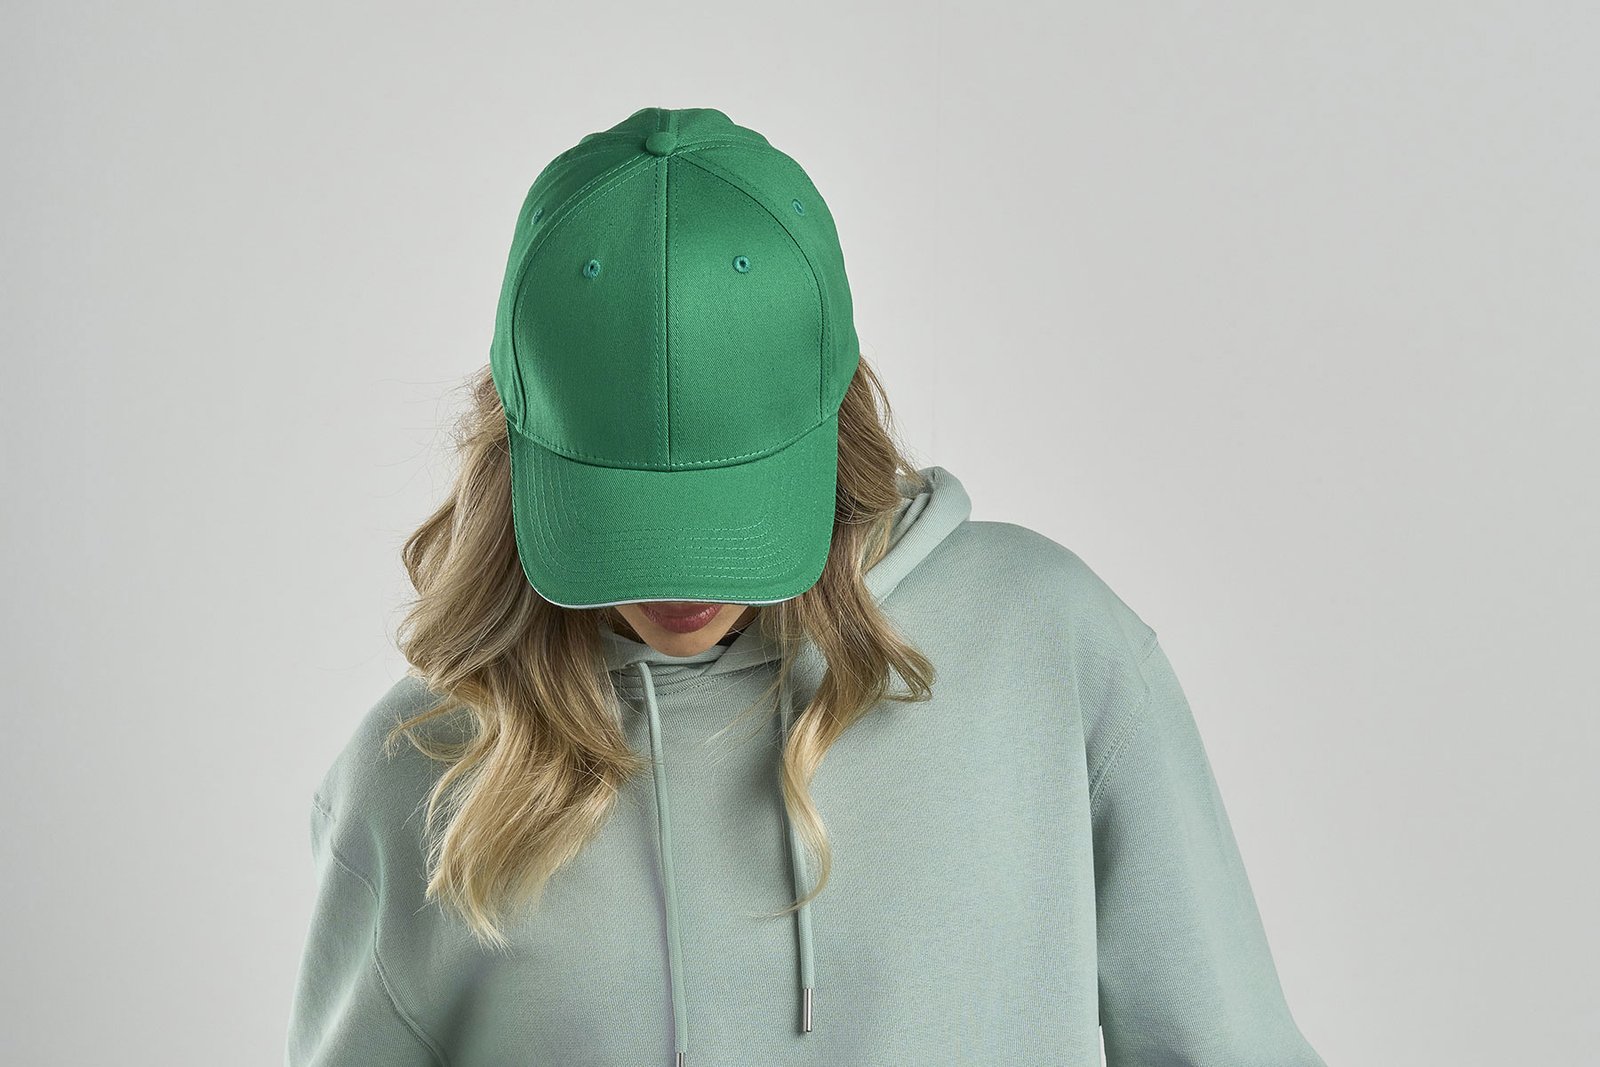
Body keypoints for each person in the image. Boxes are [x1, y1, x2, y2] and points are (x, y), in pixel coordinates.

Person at [284, 106, 1328, 1067]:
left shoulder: (1045, 646)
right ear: (521, 438)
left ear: (833, 412)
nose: (682, 575)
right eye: (630, 514)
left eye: (725, 512)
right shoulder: (419, 775)